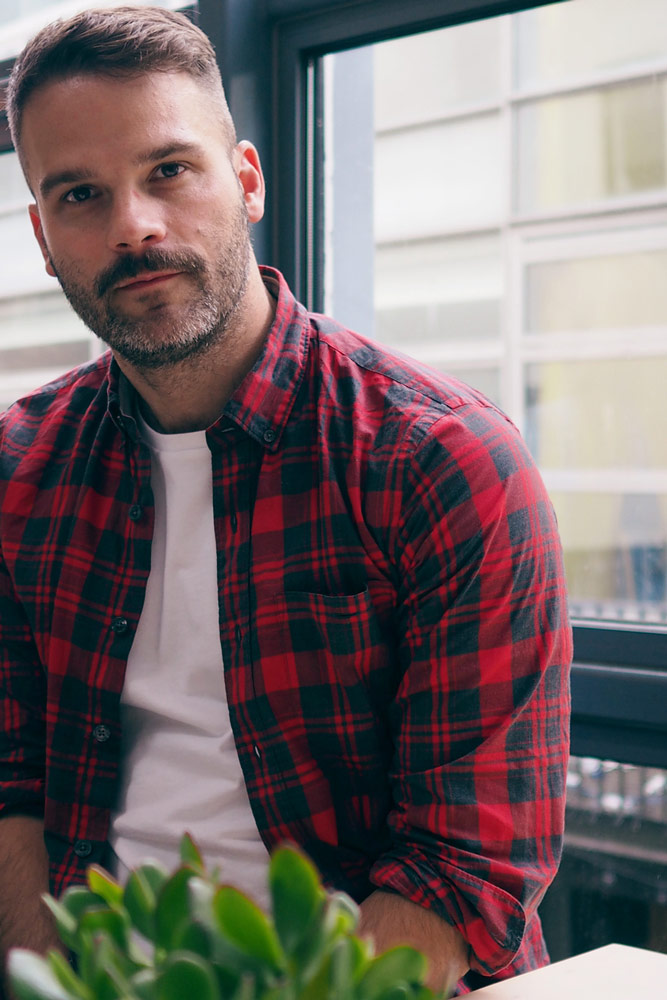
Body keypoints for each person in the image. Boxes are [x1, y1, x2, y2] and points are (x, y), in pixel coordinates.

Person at [0, 6, 572, 995]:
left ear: (248, 181)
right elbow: (10, 790)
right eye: (82, 194)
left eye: (168, 170)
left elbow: (459, 867)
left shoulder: (438, 460)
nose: (132, 225)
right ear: (45, 238)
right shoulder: (17, 471)